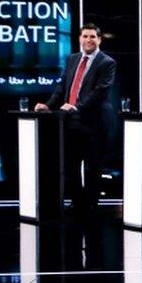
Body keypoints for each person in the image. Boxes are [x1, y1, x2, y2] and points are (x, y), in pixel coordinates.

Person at [35, 23, 116, 216]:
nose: (88, 40)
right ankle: (78, 202)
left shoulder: (107, 62)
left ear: (99, 40)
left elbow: (100, 91)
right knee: (70, 165)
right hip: (70, 121)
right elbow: (62, 86)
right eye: (85, 36)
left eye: (92, 37)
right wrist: (49, 105)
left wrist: (77, 106)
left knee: (92, 166)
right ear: (80, 39)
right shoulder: (72, 59)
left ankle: (91, 205)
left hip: (94, 122)